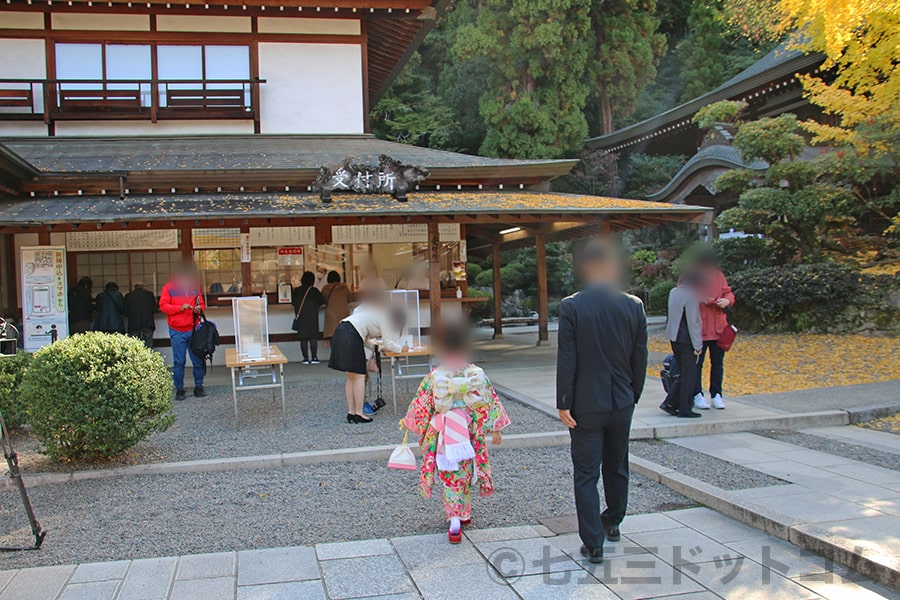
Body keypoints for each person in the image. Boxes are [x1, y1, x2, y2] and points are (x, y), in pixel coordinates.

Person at [556, 238, 648, 565]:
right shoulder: (633, 305)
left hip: (585, 402)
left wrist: (564, 401)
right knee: (616, 463)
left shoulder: (572, 306)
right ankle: (613, 521)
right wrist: (633, 395)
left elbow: (568, 358)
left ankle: (593, 543)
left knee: (585, 472)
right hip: (622, 400)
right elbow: (640, 358)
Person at [403, 320, 510, 543]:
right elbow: (488, 402)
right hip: (469, 432)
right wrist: (495, 428)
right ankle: (462, 514)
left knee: (449, 474)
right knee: (465, 472)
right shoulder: (476, 374)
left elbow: (422, 405)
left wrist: (413, 424)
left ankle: (454, 519)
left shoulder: (434, 376)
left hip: (444, 433)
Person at [328, 291, 407, 423]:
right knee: (359, 376)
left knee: (351, 377)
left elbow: (364, 338)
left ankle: (351, 412)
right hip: (351, 335)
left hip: (341, 330)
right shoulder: (385, 317)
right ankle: (359, 413)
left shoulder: (375, 314)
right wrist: (401, 349)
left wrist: (379, 347)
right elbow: (389, 342)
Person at [692, 250, 735, 410]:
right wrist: (698, 298)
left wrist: (727, 301)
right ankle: (697, 394)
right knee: (697, 364)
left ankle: (717, 394)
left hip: (718, 327)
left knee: (718, 363)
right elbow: (681, 293)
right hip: (700, 327)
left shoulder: (718, 275)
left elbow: (729, 293)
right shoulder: (691, 276)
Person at [159, 263, 206, 400]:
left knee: (197, 360)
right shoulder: (168, 287)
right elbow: (163, 306)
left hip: (193, 328)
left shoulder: (195, 288)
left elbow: (201, 304)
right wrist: (180, 308)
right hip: (177, 329)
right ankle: (179, 389)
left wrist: (199, 309)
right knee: (179, 362)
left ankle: (199, 386)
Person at [660, 270, 704, 419]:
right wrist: (698, 345)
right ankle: (684, 408)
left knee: (681, 372)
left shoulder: (674, 292)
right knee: (689, 375)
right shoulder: (691, 295)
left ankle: (670, 402)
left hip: (674, 337)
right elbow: (693, 322)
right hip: (687, 339)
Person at [291, 271, 326, 365]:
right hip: (312, 316)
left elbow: (293, 303)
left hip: (301, 316)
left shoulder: (296, 291)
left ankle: (305, 358)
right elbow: (322, 301)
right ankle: (314, 357)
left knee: (303, 338)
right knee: (313, 337)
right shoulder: (314, 291)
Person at [125, 282, 157, 348]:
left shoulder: (129, 296)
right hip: (148, 322)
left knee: (135, 345)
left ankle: (137, 357)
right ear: (143, 287)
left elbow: (125, 312)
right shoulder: (149, 294)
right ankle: (149, 357)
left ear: (135, 287)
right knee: (148, 343)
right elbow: (154, 309)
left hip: (134, 323)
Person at [321, 270, 351, 341]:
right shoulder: (344, 287)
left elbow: (322, 300)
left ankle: (335, 351)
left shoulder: (325, 288)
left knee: (333, 335)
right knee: (344, 336)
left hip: (331, 315)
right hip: (344, 314)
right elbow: (350, 298)